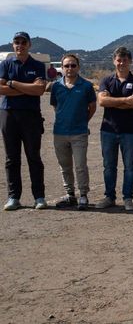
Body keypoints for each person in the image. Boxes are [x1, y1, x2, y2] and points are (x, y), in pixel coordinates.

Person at [1, 31, 48, 211]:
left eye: (23, 42)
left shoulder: (36, 65)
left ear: (29, 45)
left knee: (33, 157)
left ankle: (39, 196)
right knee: (11, 158)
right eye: (16, 42)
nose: (19, 45)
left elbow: (39, 90)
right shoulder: (6, 64)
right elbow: (0, 89)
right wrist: (26, 88)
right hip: (8, 114)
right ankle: (14, 197)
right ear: (13, 45)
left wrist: (12, 84)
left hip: (30, 115)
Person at [96, 46, 133, 211]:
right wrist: (124, 100)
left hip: (130, 131)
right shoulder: (106, 80)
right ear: (114, 61)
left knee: (129, 166)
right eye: (119, 60)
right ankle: (109, 196)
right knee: (109, 166)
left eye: (125, 60)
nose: (122, 63)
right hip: (108, 130)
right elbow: (102, 102)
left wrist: (113, 101)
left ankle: (128, 198)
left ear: (130, 62)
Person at [49, 53, 96, 210]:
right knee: (65, 166)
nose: (70, 68)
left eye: (73, 65)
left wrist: (81, 121)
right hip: (60, 133)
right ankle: (70, 195)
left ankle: (83, 195)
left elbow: (92, 107)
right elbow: (56, 107)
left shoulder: (86, 86)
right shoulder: (56, 86)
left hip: (79, 133)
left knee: (80, 165)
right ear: (62, 68)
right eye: (66, 65)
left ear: (78, 67)